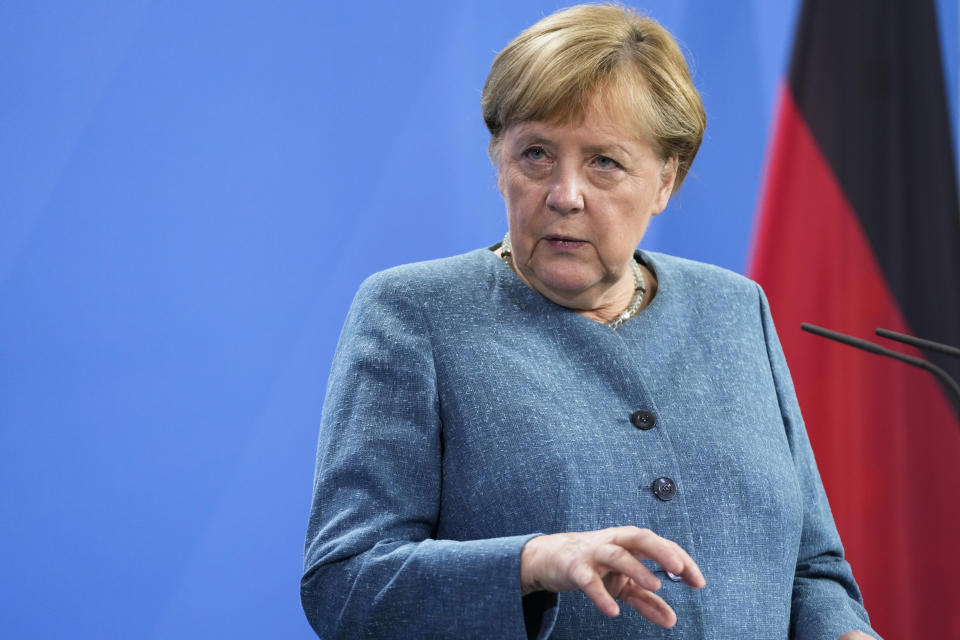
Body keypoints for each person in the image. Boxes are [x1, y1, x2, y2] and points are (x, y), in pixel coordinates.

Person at [301, 5, 880, 639]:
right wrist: (533, 563)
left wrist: (845, 634)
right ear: (499, 161)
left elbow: (811, 569)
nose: (565, 193)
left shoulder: (736, 309)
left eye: (604, 161)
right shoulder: (415, 313)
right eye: (537, 155)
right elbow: (344, 585)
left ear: (666, 180)